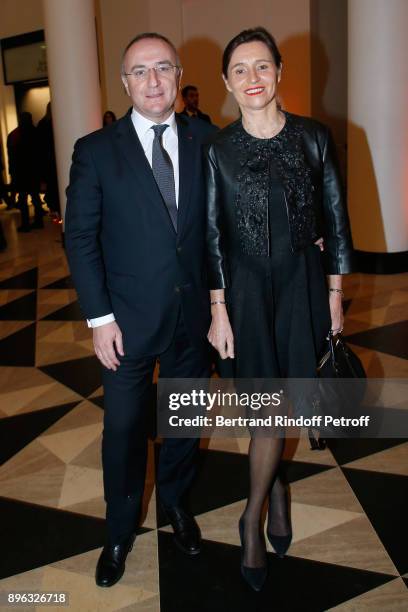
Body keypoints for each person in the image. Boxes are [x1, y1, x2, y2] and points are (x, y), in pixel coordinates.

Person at [204, 27, 353, 591]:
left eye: (262, 67)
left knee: (286, 398)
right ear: (225, 82)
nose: (252, 79)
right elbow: (212, 237)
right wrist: (218, 308)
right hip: (243, 290)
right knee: (263, 407)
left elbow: (337, 224)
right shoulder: (217, 148)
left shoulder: (314, 138)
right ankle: (258, 511)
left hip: (302, 286)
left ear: (280, 71)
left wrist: (335, 295)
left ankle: (265, 499)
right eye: (239, 70)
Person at [65, 32, 216, 588]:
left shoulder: (207, 139)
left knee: (183, 424)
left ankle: (176, 504)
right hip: (124, 326)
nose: (153, 81)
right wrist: (99, 319)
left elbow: (228, 222)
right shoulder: (96, 150)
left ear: (178, 75)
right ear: (124, 82)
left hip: (194, 321)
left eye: (163, 69)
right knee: (124, 433)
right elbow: (80, 239)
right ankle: (120, 530)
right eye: (139, 72)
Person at [7, 112, 44, 232]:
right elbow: (40, 154)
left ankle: (25, 224)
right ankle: (39, 221)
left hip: (21, 172)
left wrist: (12, 172)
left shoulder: (14, 135)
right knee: (35, 197)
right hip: (33, 171)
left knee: (23, 199)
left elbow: (11, 156)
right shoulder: (36, 133)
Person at [37, 102, 60, 217]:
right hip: (55, 161)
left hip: (47, 162)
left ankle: (54, 210)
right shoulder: (59, 122)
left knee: (52, 187)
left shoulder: (42, 124)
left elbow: (39, 147)